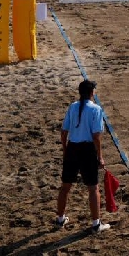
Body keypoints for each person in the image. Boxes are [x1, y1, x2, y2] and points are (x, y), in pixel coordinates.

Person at [55, 80, 111, 234]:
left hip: (73, 147)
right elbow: (96, 136)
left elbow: (64, 132)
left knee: (65, 186)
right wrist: (100, 156)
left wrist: (66, 150)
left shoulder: (72, 107)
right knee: (93, 188)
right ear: (91, 92)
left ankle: (60, 218)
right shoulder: (96, 109)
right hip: (87, 149)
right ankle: (96, 224)